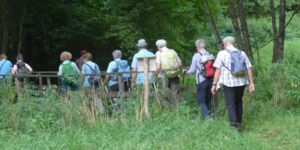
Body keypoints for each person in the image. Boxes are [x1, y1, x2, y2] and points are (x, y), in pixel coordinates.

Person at [211, 36, 255, 132]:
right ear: (233, 43)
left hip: (228, 83)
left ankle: (234, 126)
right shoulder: (242, 53)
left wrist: (214, 84)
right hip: (241, 82)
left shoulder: (222, 53)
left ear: (225, 43)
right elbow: (249, 68)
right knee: (239, 102)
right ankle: (238, 123)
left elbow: (218, 70)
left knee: (230, 104)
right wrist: (251, 83)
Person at [186, 39, 214, 119]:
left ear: (197, 46)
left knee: (201, 100)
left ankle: (208, 118)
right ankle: (210, 115)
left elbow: (192, 69)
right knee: (208, 100)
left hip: (201, 80)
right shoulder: (210, 55)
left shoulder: (197, 55)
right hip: (210, 80)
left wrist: (187, 72)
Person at [156, 39, 182, 105]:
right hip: (175, 74)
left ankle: (167, 107)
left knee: (165, 92)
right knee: (175, 92)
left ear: (158, 47)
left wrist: (155, 74)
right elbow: (180, 64)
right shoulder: (173, 51)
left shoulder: (159, 53)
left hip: (164, 75)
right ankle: (177, 107)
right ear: (166, 45)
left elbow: (158, 67)